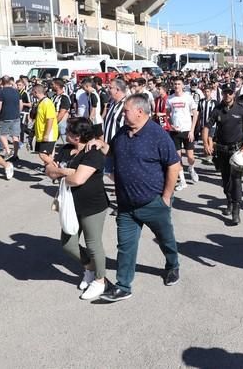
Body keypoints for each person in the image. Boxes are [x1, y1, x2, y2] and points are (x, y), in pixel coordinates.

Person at [95, 94, 182, 302]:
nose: (123, 114)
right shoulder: (123, 133)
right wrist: (98, 144)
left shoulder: (157, 135)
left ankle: (172, 265)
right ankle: (123, 285)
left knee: (165, 240)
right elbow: (111, 152)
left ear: (140, 112)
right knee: (125, 246)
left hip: (153, 202)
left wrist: (166, 197)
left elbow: (173, 165)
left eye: (126, 111)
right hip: (126, 205)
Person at [46, 118, 109, 300]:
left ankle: (100, 280)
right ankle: (89, 269)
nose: (65, 134)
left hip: (92, 206)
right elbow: (49, 171)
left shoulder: (93, 153)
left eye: (69, 132)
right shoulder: (66, 150)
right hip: (70, 205)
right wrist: (66, 172)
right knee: (68, 244)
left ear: (78, 136)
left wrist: (61, 173)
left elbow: (78, 180)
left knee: (93, 244)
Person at [203, 83, 243, 225]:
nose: (227, 95)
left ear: (234, 94)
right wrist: (206, 143)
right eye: (225, 93)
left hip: (237, 150)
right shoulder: (217, 109)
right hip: (221, 150)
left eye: (230, 93)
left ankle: (236, 211)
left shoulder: (241, 109)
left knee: (236, 181)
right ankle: (229, 202)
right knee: (225, 180)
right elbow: (207, 127)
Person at [167, 77, 199, 191]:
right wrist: (171, 125)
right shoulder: (170, 99)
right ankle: (183, 181)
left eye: (179, 84)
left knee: (190, 156)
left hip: (187, 131)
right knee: (177, 157)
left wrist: (192, 130)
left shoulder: (188, 97)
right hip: (175, 132)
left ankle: (191, 168)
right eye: (175, 84)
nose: (176, 86)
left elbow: (195, 114)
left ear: (183, 85)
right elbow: (167, 114)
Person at [31, 84, 59, 167]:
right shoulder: (40, 102)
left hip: (48, 134)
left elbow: (50, 119)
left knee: (42, 154)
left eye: (32, 92)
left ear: (36, 92)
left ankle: (58, 168)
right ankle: (52, 171)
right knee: (48, 155)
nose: (31, 93)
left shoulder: (47, 103)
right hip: (40, 133)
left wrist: (46, 134)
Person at [0, 76, 22, 160]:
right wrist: (18, 112)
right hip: (16, 116)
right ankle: (16, 154)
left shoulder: (1, 92)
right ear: (10, 82)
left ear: (2, 82)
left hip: (5, 116)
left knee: (2, 134)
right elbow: (20, 103)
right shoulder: (16, 91)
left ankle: (8, 151)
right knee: (15, 136)